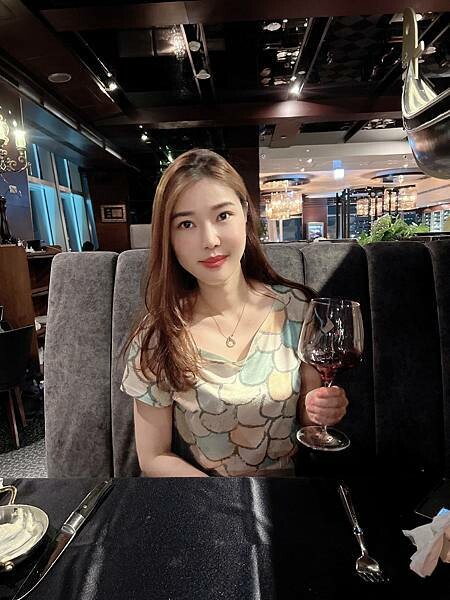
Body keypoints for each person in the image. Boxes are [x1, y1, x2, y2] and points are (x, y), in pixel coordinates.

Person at [121, 149, 348, 477]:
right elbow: (154, 456)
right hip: (205, 496)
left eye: (223, 215)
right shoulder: (157, 336)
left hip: (284, 496)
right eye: (186, 224)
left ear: (245, 214)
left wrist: (321, 409)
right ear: (168, 238)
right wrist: (224, 499)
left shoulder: (298, 309)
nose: (210, 240)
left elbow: (307, 416)